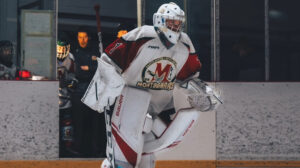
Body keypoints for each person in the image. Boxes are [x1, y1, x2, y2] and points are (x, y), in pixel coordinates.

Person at [82, 2, 221, 168]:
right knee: (123, 162)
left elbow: (187, 77)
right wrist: (106, 86)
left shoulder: (184, 44)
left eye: (178, 23)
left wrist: (198, 91)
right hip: (130, 103)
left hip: (160, 106)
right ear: (160, 21)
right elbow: (110, 60)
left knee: (147, 158)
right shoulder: (143, 35)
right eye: (171, 22)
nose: (176, 26)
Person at [71, 28, 106, 157]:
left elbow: (102, 69)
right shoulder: (75, 53)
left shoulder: (97, 52)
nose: (82, 40)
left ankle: (96, 149)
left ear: (89, 38)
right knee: (79, 122)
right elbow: (78, 72)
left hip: (95, 91)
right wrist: (92, 69)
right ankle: (79, 148)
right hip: (79, 91)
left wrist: (89, 68)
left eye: (84, 37)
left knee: (96, 123)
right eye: (80, 37)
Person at [56, 38, 77, 156]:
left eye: (64, 48)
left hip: (66, 98)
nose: (61, 51)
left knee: (67, 125)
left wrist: (73, 82)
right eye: (59, 47)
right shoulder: (49, 55)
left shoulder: (71, 58)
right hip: (52, 98)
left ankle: (67, 147)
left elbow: (73, 76)